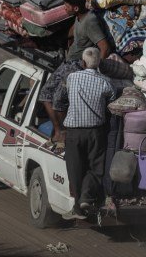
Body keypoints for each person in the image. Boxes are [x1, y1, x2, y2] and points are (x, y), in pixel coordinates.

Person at [37, 0, 110, 141]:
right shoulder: (78, 17)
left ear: (75, 8)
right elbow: (72, 33)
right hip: (67, 63)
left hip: (77, 65)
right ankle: (58, 131)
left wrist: (95, 72)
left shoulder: (90, 21)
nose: (64, 8)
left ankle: (66, 133)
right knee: (45, 94)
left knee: (58, 100)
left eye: (66, 5)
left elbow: (104, 47)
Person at [62, 47, 115, 219]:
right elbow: (112, 100)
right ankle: (86, 198)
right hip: (95, 132)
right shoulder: (105, 82)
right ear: (99, 63)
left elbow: (65, 95)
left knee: (75, 169)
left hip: (73, 133)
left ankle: (79, 206)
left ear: (83, 62)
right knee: (95, 168)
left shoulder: (72, 77)